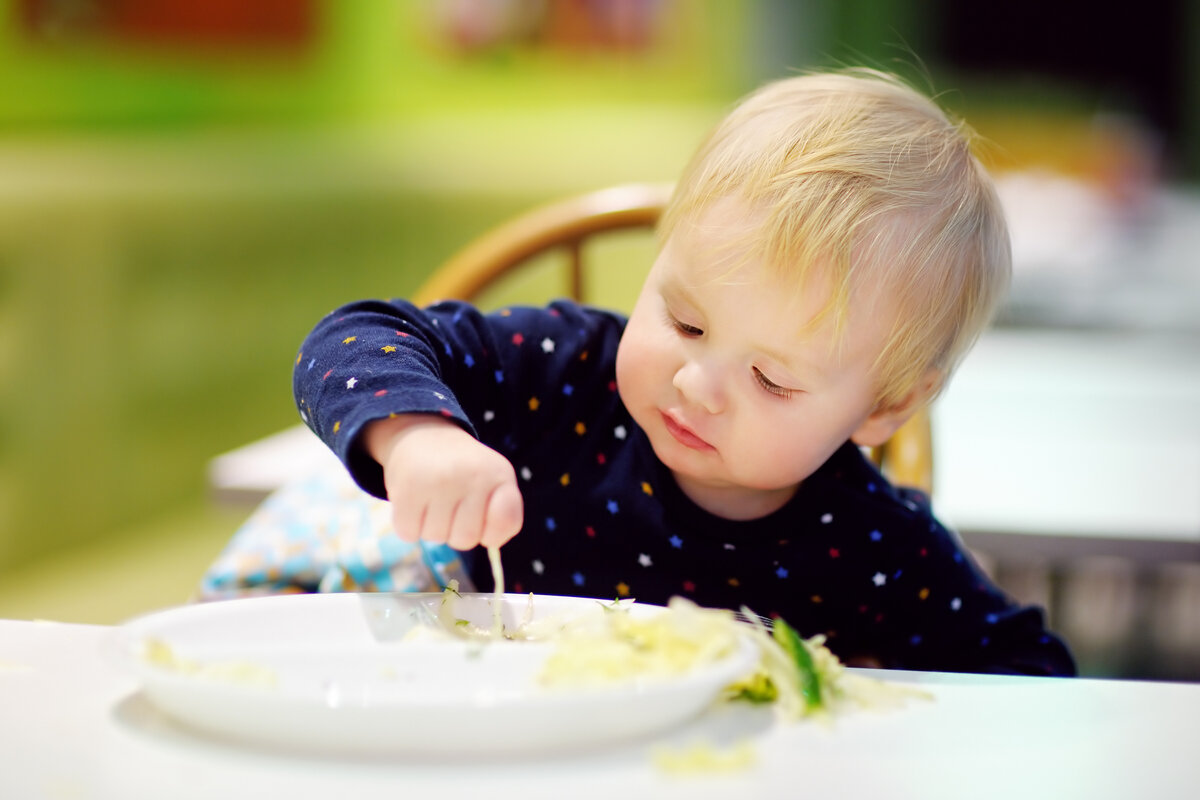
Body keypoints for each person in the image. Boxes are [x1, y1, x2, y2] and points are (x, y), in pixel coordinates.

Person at [284, 68, 1075, 676]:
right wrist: (419, 437)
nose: (697, 384)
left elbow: (1034, 680)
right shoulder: (566, 375)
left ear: (886, 407)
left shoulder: (870, 544)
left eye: (772, 379)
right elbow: (357, 337)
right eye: (686, 321)